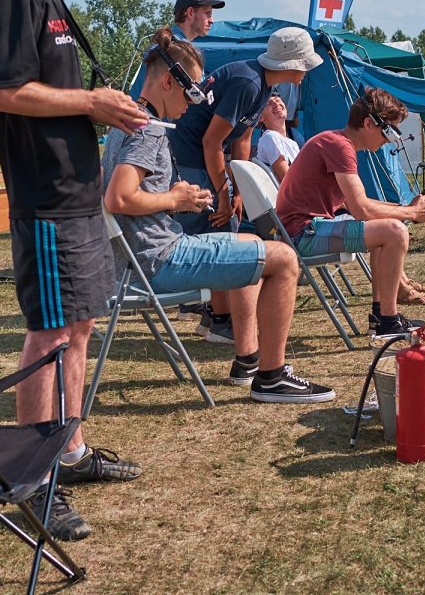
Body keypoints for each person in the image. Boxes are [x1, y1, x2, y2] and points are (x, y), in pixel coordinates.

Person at [0, 0, 147, 542]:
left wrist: (106, 110)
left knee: (78, 328)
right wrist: (93, 102)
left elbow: (54, 96)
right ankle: (30, 479)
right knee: (48, 334)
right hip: (45, 198)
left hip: (77, 195)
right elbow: (5, 93)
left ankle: (69, 453)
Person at [103, 29, 335, 403]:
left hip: (140, 259)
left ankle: (248, 360)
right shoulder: (149, 131)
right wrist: (173, 199)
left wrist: (179, 198)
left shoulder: (132, 122)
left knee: (247, 244)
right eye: (193, 91)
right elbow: (118, 198)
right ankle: (272, 377)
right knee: (285, 259)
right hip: (157, 261)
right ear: (168, 81)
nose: (197, 102)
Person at [169, 25, 323, 343]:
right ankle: (221, 320)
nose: (307, 71)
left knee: (229, 226)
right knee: (218, 234)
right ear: (290, 63)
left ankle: (217, 317)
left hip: (204, 158)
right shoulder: (248, 82)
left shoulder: (262, 84)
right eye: (305, 64)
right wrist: (224, 196)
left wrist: (238, 192)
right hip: (190, 159)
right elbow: (212, 142)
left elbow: (242, 140)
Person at [275, 87, 425, 335]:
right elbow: (361, 209)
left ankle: (382, 317)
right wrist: (413, 214)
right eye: (389, 131)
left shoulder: (336, 142)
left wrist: (405, 208)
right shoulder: (339, 146)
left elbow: (359, 203)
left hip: (304, 229)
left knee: (387, 228)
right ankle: (388, 321)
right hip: (303, 234)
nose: (389, 140)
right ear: (369, 123)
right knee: (394, 232)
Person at [254, 95, 299, 182]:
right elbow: (288, 181)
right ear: (260, 118)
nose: (276, 104)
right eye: (268, 104)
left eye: (277, 100)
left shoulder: (293, 144)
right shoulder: (270, 137)